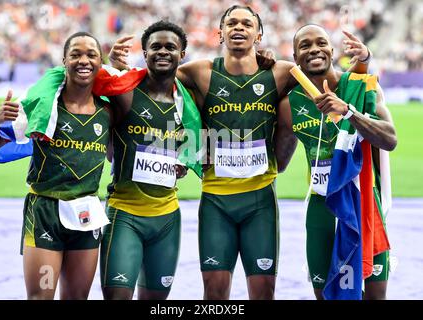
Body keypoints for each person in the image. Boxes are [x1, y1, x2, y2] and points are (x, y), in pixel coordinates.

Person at [109, 5, 370, 300]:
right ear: (220, 33)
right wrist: (120, 69)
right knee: (215, 292)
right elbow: (156, 78)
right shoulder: (199, 72)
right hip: (215, 201)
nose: (239, 28)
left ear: (259, 34)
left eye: (247, 23)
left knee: (263, 293)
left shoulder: (282, 72)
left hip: (260, 200)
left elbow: (330, 77)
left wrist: (363, 64)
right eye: (231, 23)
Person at [0, 32, 111, 299]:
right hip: (45, 216)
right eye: (75, 54)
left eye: (91, 55)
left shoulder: (109, 111)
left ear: (100, 62)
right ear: (64, 61)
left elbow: (122, 151)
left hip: (86, 216)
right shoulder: (43, 108)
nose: (83, 60)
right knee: (41, 296)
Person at [275, 24, 397, 300]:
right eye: (305, 46)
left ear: (332, 50)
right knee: (326, 294)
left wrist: (349, 113)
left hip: (363, 202)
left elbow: (390, 139)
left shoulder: (360, 87)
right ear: (295, 57)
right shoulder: (289, 105)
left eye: (321, 43)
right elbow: (279, 163)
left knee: (375, 294)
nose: (314, 49)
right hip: (322, 206)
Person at [99, 20, 192, 300]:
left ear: (182, 54)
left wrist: (187, 159)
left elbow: (197, 142)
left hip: (167, 219)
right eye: (155, 47)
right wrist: (113, 66)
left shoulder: (189, 102)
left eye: (170, 47)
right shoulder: (126, 94)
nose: (162, 52)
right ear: (144, 52)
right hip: (124, 215)